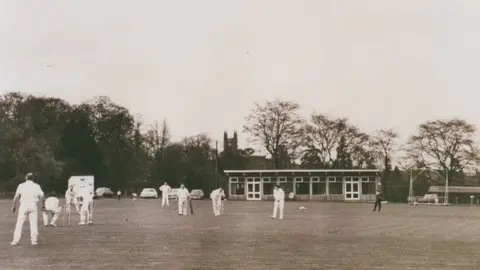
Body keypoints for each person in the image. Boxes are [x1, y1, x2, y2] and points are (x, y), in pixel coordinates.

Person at [11, 173, 45, 246]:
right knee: (33, 224)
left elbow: (16, 197)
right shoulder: (37, 186)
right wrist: (43, 205)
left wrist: (13, 206)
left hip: (24, 205)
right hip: (33, 205)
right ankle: (34, 241)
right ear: (33, 179)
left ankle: (15, 240)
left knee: (19, 224)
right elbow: (42, 196)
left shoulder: (21, 185)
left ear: (26, 178)